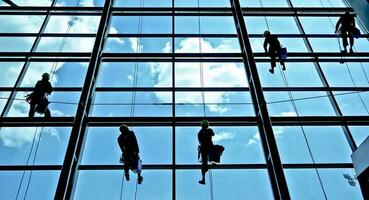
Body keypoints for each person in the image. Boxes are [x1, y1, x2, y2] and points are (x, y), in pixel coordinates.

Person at [198, 120, 214, 185]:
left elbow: (200, 141)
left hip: (204, 148)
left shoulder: (200, 132)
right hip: (209, 147)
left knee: (204, 163)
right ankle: (213, 161)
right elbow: (213, 134)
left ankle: (203, 178)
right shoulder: (209, 130)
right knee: (206, 161)